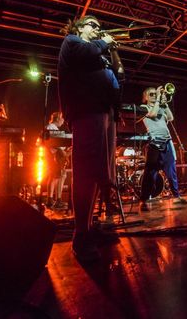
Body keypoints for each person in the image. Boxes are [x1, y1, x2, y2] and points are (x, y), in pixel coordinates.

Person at [58, 15, 124, 262]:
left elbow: (119, 76)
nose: (98, 29)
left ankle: (88, 228)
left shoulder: (99, 52)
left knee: (98, 172)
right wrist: (105, 42)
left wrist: (112, 50)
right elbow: (83, 55)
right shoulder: (73, 41)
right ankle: (81, 236)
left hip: (104, 113)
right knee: (86, 171)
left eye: (99, 26)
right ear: (79, 27)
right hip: (86, 110)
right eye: (93, 25)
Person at [139, 86, 187, 211]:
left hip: (167, 142)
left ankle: (177, 197)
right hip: (154, 144)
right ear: (145, 97)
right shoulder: (144, 107)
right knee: (150, 173)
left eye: (155, 94)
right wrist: (158, 99)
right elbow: (153, 114)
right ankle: (144, 200)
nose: (154, 96)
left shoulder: (160, 107)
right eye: (151, 94)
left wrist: (165, 103)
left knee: (171, 170)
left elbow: (171, 118)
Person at [45, 112, 68, 209]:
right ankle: (51, 200)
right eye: (62, 118)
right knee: (55, 176)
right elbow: (53, 143)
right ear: (58, 118)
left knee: (60, 175)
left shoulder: (54, 128)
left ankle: (56, 199)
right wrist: (62, 151)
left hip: (57, 155)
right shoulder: (51, 127)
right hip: (54, 156)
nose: (63, 120)